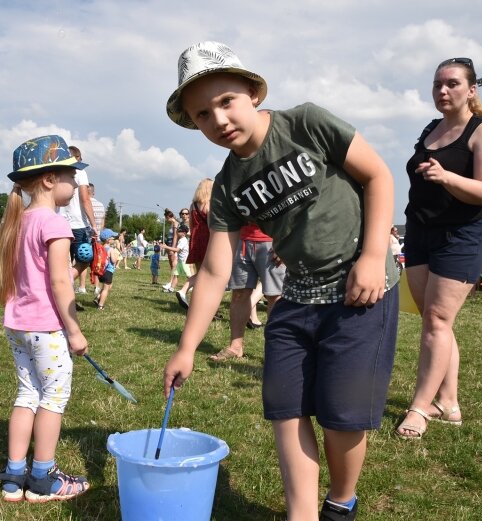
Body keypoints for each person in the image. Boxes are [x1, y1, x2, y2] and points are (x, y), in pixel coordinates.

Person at [162, 42, 399, 520]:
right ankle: (302, 514)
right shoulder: (227, 184)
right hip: (295, 299)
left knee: (341, 415)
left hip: (359, 291)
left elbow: (377, 175)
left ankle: (340, 501)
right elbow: (214, 269)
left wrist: (374, 255)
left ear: (251, 92)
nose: (219, 120)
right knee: (285, 407)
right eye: (203, 115)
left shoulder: (305, 123)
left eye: (226, 102)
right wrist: (187, 346)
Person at [397, 57, 482, 441]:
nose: (443, 91)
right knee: (436, 320)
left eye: (452, 84)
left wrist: (446, 177)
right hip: (420, 231)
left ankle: (419, 408)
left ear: (471, 90)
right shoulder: (431, 128)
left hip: (462, 234)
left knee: (437, 321)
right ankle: (449, 401)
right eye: (437, 85)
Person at [0, 135, 90, 502]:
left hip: (15, 325)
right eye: (71, 174)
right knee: (53, 398)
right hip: (46, 328)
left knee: (26, 393)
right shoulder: (54, 223)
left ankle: (14, 476)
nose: (76, 181)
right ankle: (43, 477)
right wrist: (75, 331)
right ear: (49, 179)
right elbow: (61, 281)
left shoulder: (16, 222)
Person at [208, 224, 286, 361]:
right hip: (242, 240)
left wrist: (285, 241)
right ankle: (235, 347)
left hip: (273, 241)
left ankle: (277, 351)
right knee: (239, 294)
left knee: (275, 297)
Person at [58, 145, 98, 295]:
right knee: (84, 258)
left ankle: (63, 290)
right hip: (77, 223)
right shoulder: (80, 172)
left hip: (58, 222)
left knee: (60, 262)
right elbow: (85, 199)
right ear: (77, 158)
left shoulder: (57, 171)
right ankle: (64, 286)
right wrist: (94, 224)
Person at [176, 178, 213, 309]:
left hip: (195, 239)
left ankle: (197, 304)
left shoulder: (192, 206)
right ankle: (184, 290)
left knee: (200, 273)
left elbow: (190, 226)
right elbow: (211, 225)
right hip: (207, 239)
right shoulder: (209, 204)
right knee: (208, 274)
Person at [93, 229, 121, 310]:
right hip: (108, 271)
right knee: (106, 289)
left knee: (109, 285)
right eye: (113, 238)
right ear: (108, 240)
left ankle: (98, 297)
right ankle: (100, 305)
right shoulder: (111, 249)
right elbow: (114, 260)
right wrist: (116, 252)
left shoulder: (100, 248)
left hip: (101, 271)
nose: (114, 239)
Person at [159, 224, 190, 293]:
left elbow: (177, 250)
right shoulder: (181, 239)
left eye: (179, 231)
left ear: (184, 233)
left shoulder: (183, 240)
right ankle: (171, 289)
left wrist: (166, 247)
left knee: (189, 276)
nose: (177, 232)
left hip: (184, 262)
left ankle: (195, 288)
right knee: (176, 275)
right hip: (180, 261)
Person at [161, 208, 179, 288]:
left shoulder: (175, 224)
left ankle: (171, 282)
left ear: (168, 217)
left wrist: (172, 248)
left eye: (166, 218)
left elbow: (175, 236)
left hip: (172, 245)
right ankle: (171, 281)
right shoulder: (172, 224)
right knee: (171, 264)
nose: (166, 219)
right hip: (169, 244)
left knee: (173, 264)